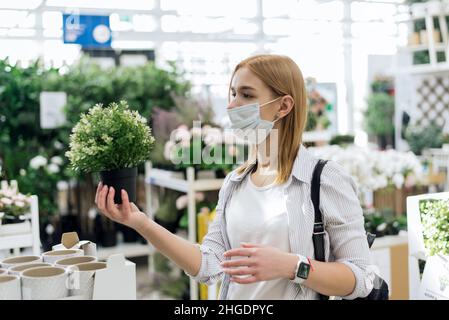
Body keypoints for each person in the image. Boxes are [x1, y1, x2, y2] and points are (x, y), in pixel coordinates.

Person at [95, 54, 376, 300]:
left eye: (247, 95)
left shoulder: (324, 179)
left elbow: (362, 277)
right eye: (232, 94)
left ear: (284, 106)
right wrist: (141, 223)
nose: (232, 106)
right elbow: (209, 266)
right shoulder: (234, 183)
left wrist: (292, 266)